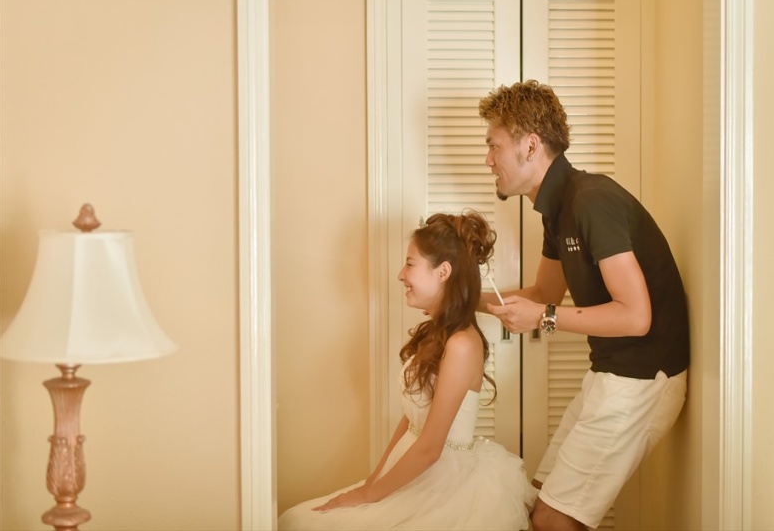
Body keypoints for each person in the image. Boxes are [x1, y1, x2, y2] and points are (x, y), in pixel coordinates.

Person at [477, 80, 689, 531]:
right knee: (536, 501)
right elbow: (544, 295)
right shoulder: (558, 210)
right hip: (611, 372)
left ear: (530, 146)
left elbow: (636, 316)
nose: (488, 160)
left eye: (494, 146)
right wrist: (461, 299)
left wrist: (543, 319)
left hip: (644, 378)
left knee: (553, 519)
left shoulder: (591, 199)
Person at [278, 210, 535, 531]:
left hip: (439, 480)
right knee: (296, 519)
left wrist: (367, 495)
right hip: (409, 467)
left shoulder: (462, 345)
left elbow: (430, 448)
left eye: (410, 264)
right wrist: (372, 481)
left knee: (300, 523)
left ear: (443, 272)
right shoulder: (436, 333)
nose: (401, 274)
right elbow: (411, 419)